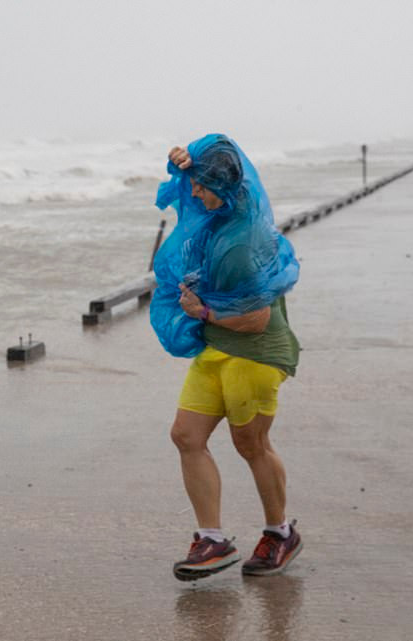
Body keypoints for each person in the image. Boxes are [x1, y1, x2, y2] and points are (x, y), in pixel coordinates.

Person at [150, 134, 303, 581]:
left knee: (251, 444)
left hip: (255, 351)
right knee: (186, 436)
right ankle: (212, 540)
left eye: (201, 185)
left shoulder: (239, 246)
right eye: (194, 183)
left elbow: (255, 319)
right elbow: (216, 154)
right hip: (217, 347)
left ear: (223, 186)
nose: (194, 192)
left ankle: (280, 533)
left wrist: (204, 312)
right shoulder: (231, 194)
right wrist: (184, 161)